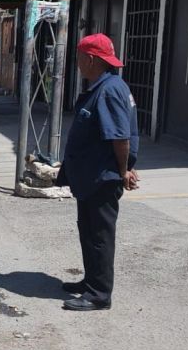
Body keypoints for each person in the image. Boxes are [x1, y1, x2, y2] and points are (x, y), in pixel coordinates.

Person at [56, 33, 140, 312]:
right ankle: (91, 281)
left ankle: (99, 294)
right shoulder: (103, 87)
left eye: (79, 57)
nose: (78, 63)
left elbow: (120, 138)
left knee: (100, 237)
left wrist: (124, 170)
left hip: (102, 178)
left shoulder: (109, 90)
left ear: (90, 59)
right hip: (90, 177)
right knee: (88, 233)